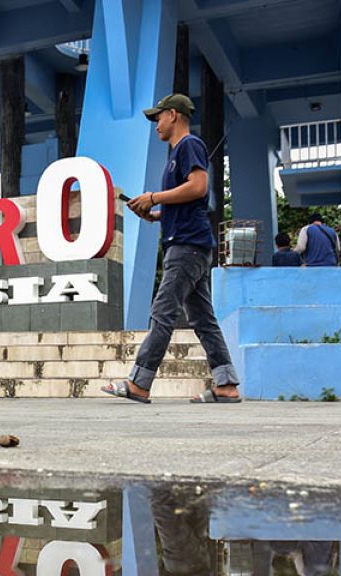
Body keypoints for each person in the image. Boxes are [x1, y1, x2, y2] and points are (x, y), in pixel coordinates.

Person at [106, 93, 241, 404]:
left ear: (174, 115)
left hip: (187, 246)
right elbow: (187, 201)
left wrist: (154, 196)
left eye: (159, 117)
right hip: (189, 244)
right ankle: (226, 384)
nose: (156, 124)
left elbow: (199, 187)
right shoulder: (176, 154)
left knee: (163, 310)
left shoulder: (188, 146)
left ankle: (139, 383)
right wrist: (153, 214)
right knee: (203, 320)